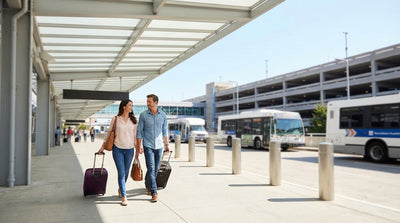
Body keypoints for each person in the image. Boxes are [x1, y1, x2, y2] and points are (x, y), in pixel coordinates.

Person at [98, 99, 138, 206]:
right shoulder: (116, 119)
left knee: (126, 172)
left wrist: (139, 148)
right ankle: (124, 196)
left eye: (132, 105)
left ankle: (121, 189)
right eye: (130, 105)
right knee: (121, 172)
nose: (131, 107)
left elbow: (135, 136)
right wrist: (102, 147)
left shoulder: (134, 120)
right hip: (117, 149)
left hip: (130, 149)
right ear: (124, 107)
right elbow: (109, 133)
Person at [136, 94, 170, 203]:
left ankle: (148, 184)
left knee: (154, 169)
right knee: (151, 168)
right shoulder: (143, 115)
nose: (147, 103)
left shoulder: (163, 116)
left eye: (149, 101)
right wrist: (138, 146)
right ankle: (154, 192)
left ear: (156, 102)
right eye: (147, 101)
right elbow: (139, 132)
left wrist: (166, 145)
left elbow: (165, 132)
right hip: (148, 145)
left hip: (159, 146)